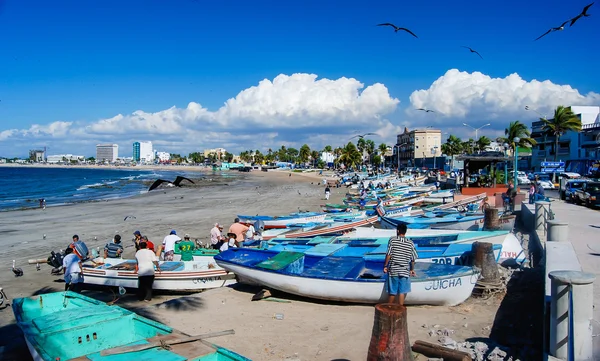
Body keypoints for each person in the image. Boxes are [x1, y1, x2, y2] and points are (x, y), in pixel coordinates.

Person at [383, 224, 417, 305]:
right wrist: (412, 269)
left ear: (398, 231)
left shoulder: (392, 240)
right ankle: (400, 308)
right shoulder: (410, 243)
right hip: (405, 270)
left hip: (394, 269)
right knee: (402, 291)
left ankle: (390, 307)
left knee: (392, 291)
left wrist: (385, 266)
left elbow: (389, 254)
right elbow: (413, 258)